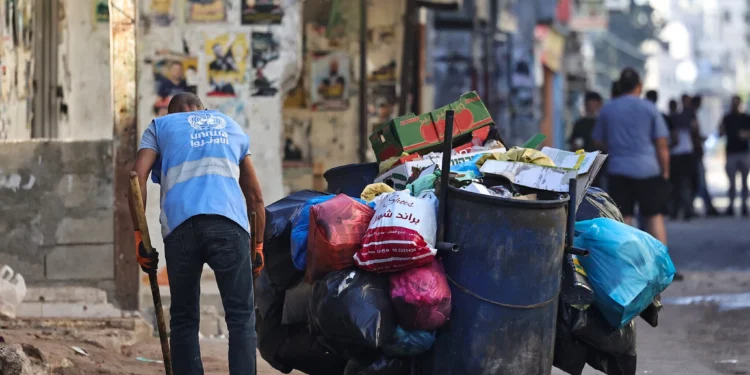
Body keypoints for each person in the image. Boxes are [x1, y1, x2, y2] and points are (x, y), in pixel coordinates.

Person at [130, 93, 265, 375]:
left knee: (183, 318)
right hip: (229, 224)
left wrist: (140, 238)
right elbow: (255, 195)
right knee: (241, 318)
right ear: (203, 110)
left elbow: (136, 178)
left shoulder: (160, 126)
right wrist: (259, 245)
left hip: (180, 228)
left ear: (172, 112)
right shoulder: (229, 125)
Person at [592, 68, 670, 245]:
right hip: (648, 171)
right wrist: (665, 173)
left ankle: (625, 266)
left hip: (618, 170)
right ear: (639, 86)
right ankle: (662, 265)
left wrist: (616, 146)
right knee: (654, 217)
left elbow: (597, 141)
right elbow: (661, 145)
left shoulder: (608, 110)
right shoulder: (650, 108)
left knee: (623, 220)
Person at [667, 94, 697, 220]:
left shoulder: (670, 118)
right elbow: (695, 130)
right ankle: (686, 210)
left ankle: (675, 211)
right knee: (685, 184)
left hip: (676, 155)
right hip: (685, 154)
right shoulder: (688, 116)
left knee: (676, 185)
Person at [719, 95, 750, 216]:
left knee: (744, 181)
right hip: (731, 152)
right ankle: (731, 205)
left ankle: (744, 205)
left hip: (743, 152)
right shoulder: (727, 118)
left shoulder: (746, 118)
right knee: (731, 182)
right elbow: (721, 132)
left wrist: (745, 134)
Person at [690, 95, 720, 216]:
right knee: (699, 181)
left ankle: (704, 206)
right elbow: (694, 135)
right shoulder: (691, 115)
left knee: (698, 182)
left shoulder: (691, 115)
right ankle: (706, 207)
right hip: (694, 155)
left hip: (694, 154)